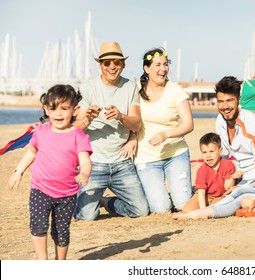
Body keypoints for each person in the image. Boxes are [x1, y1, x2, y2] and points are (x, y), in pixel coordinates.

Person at [173, 76, 255, 220]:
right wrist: (222, 179)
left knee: (237, 198)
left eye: (230, 100)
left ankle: (206, 212)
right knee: (204, 196)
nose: (225, 106)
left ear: (238, 100)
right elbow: (222, 156)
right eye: (221, 102)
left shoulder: (254, 123)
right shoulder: (220, 120)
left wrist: (240, 185)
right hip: (242, 175)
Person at [8, 85, 92, 260]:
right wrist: (18, 171)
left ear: (75, 110)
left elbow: (85, 160)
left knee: (61, 231)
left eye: (64, 108)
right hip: (40, 189)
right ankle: (42, 260)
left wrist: (85, 172)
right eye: (53, 108)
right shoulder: (41, 132)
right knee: (38, 226)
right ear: (46, 109)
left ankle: (60, 262)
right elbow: (31, 152)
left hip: (67, 194)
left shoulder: (78, 136)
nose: (58, 114)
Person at [73, 41, 149, 220]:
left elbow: (136, 124)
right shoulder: (87, 89)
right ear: (100, 65)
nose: (112, 66)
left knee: (140, 211)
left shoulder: (131, 87)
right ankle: (78, 199)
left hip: (121, 163)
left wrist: (121, 116)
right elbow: (74, 129)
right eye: (107, 63)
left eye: (116, 62)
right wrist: (88, 119)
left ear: (123, 64)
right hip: (94, 163)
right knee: (86, 217)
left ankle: (107, 202)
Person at [134, 48, 194, 213]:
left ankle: (192, 193)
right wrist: (132, 139)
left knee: (183, 206)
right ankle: (110, 202)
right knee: (161, 210)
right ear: (147, 68)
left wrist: (166, 134)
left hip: (176, 154)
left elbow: (188, 124)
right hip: (146, 158)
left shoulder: (175, 90)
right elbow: (132, 119)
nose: (163, 69)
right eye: (158, 65)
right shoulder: (135, 89)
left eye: (166, 65)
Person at [182, 132, 243, 213]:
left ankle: (212, 208)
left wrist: (233, 178)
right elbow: (201, 192)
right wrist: (203, 210)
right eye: (204, 152)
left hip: (221, 196)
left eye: (211, 151)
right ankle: (205, 205)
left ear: (220, 151)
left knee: (222, 207)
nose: (208, 155)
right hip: (206, 195)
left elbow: (227, 187)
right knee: (187, 209)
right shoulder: (202, 170)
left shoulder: (228, 165)